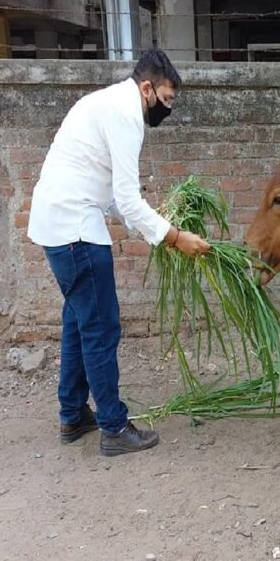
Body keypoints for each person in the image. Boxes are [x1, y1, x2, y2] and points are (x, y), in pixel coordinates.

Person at [27, 49, 210, 457]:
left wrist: (156, 222)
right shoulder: (126, 116)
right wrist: (175, 237)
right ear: (147, 88)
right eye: (166, 98)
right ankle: (113, 425)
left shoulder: (104, 103)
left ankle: (73, 414)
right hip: (75, 231)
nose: (167, 107)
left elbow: (112, 194)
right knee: (101, 328)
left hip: (58, 223)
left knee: (78, 321)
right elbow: (126, 200)